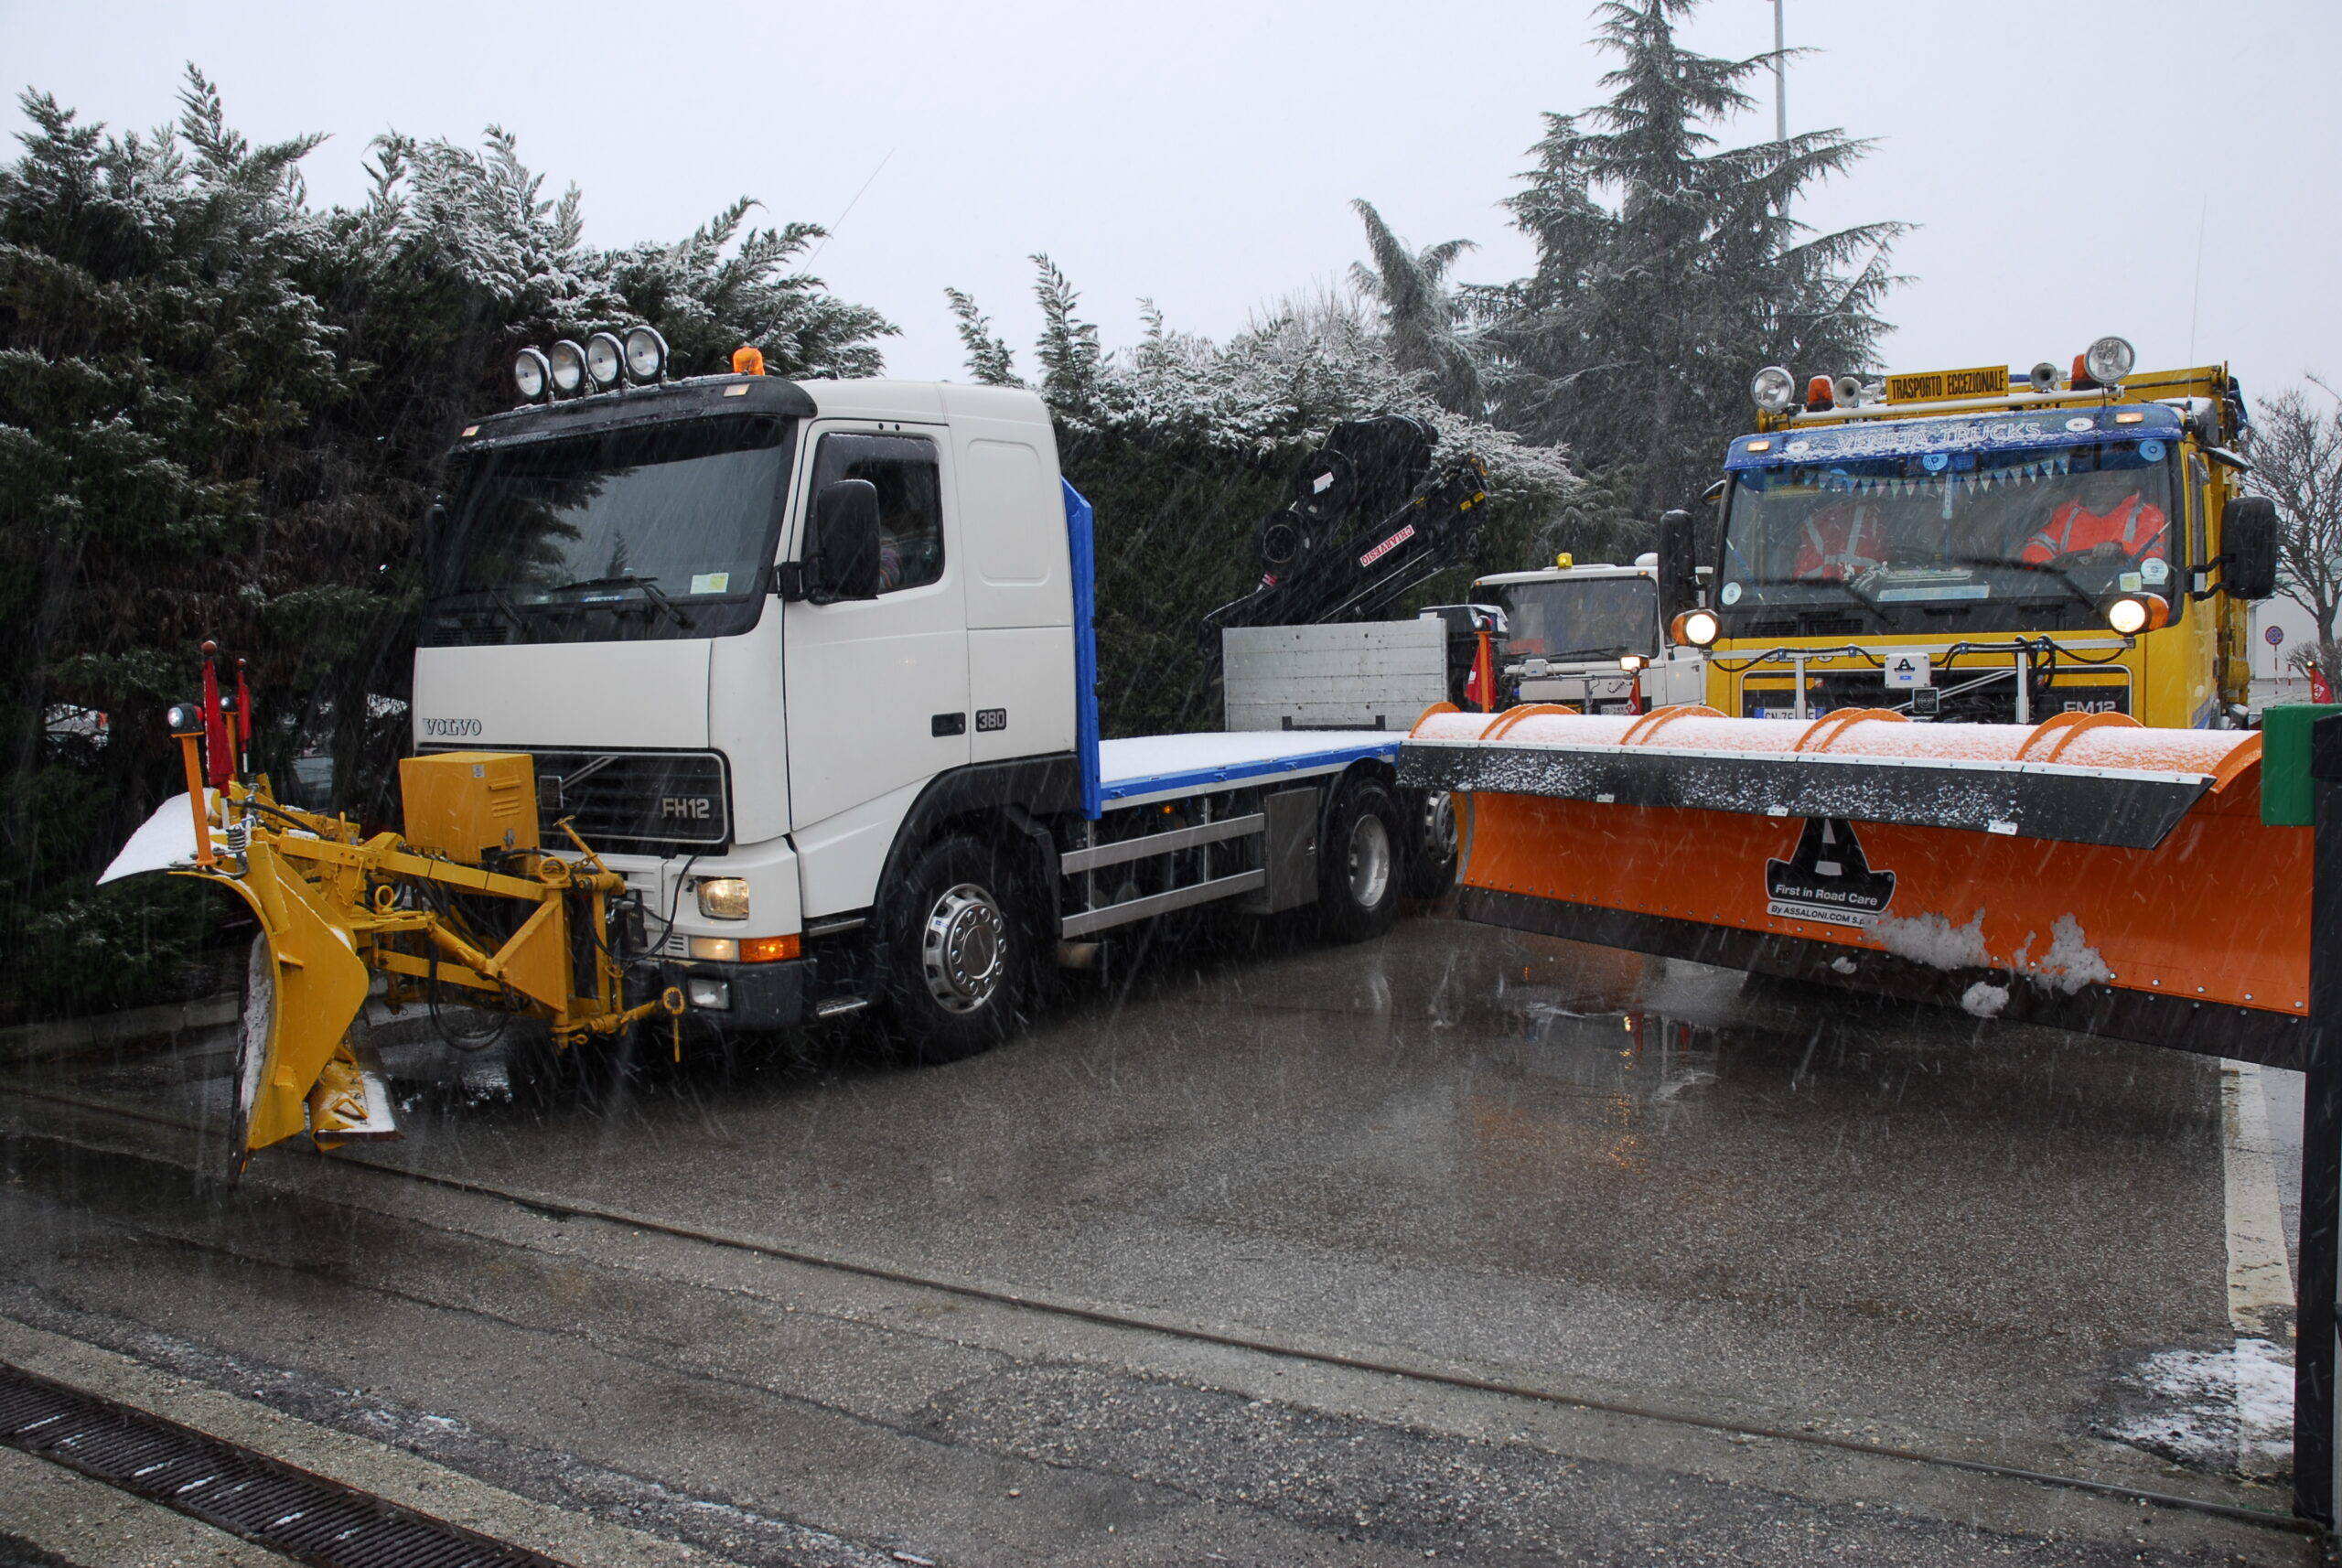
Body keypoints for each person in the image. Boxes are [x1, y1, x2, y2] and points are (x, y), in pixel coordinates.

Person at [2021, 468, 2168, 565]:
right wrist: (2049, 566)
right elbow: (2038, 545)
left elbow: (2154, 560)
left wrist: (2120, 549)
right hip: (2070, 589)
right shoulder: (2067, 512)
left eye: (2107, 483)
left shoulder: (2148, 515)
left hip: (2125, 591)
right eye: (2095, 483)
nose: (2098, 488)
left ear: (2126, 487)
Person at [1792, 499, 1886, 581]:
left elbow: (1798, 586)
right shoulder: (1873, 515)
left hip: (1825, 597)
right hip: (1862, 596)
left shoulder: (1810, 526)